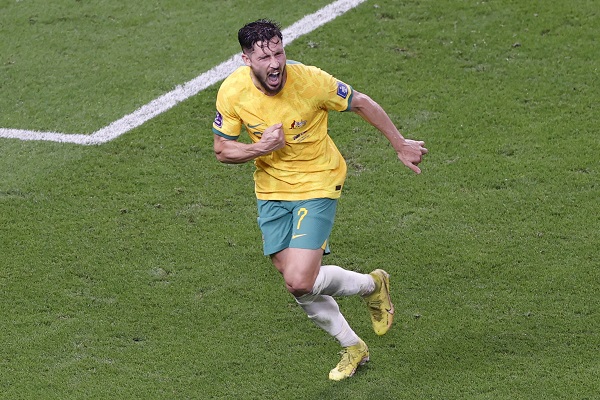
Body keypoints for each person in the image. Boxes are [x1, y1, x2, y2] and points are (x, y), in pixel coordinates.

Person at [211, 19, 427, 381]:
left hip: (318, 182)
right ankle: (355, 341)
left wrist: (400, 143)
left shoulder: (310, 80)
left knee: (299, 281)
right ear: (246, 59)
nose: (275, 63)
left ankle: (371, 287)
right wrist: (259, 148)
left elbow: (360, 102)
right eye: (265, 57)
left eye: (279, 52)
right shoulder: (232, 92)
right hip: (271, 189)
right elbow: (222, 150)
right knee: (296, 280)